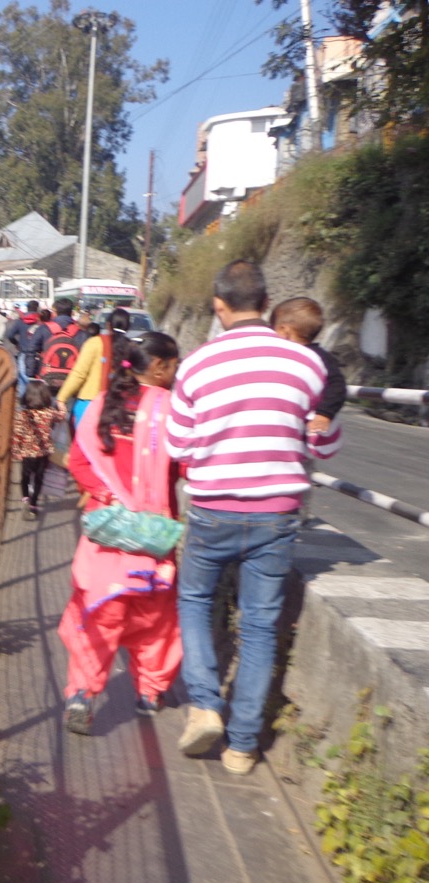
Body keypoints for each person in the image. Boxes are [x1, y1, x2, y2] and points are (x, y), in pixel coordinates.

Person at [165, 260, 342, 775]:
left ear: (218, 306)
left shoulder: (196, 364)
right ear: (266, 304)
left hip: (212, 509)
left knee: (195, 600)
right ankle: (242, 747)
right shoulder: (306, 363)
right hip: (277, 514)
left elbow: (178, 446)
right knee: (261, 626)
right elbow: (323, 443)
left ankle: (204, 704)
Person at [58, 332, 183, 735]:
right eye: (175, 365)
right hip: (153, 538)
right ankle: (150, 692)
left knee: (99, 615)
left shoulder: (102, 405)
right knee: (156, 619)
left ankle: (82, 694)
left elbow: (79, 463)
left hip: (106, 533)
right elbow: (185, 466)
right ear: (159, 367)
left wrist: (107, 493)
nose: (177, 372)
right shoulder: (172, 411)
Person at [269, 297, 346, 434]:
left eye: (272, 328)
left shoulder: (317, 358)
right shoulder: (322, 357)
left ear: (283, 330)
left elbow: (337, 385)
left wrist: (324, 413)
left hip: (299, 427)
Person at [55, 308, 131, 428]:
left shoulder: (95, 343)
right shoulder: (131, 348)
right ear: (128, 327)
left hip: (89, 403)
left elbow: (79, 374)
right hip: (117, 407)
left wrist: (62, 398)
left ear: (108, 325)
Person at [11, 379, 63, 519]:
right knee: (39, 477)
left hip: (27, 452)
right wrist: (61, 405)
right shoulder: (49, 413)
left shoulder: (22, 414)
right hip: (43, 451)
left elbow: (17, 434)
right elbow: (61, 417)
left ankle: (25, 499)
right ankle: (34, 504)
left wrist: (16, 451)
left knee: (25, 476)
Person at [4, 299, 50, 382]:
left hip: (24, 352)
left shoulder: (20, 321)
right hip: (39, 354)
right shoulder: (41, 320)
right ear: (37, 308)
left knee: (23, 379)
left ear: (27, 308)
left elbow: (10, 335)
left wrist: (17, 343)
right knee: (38, 380)